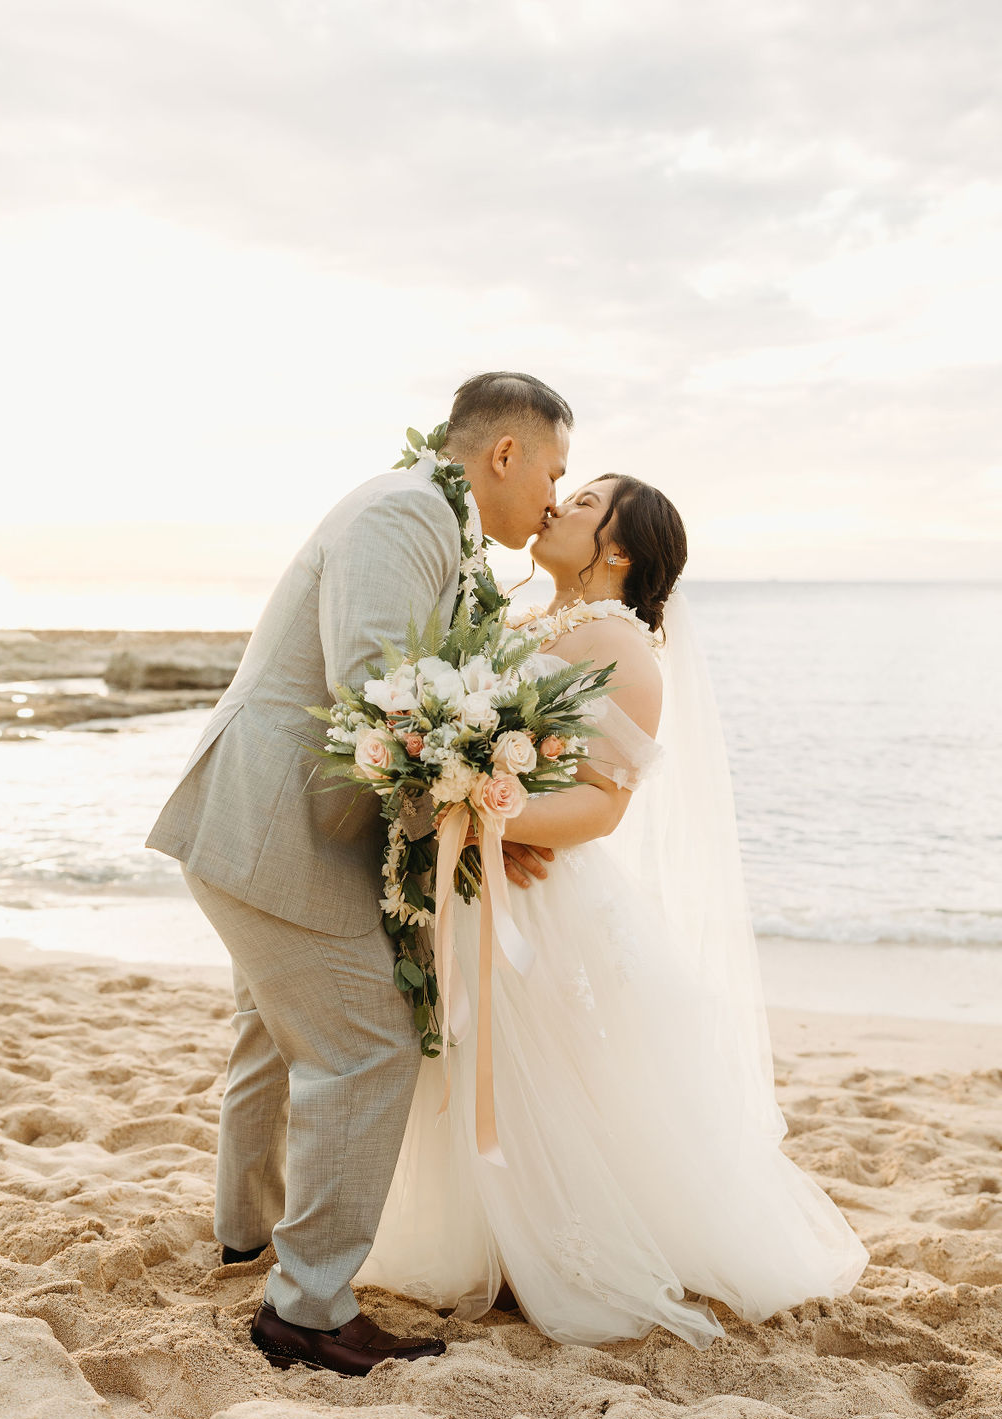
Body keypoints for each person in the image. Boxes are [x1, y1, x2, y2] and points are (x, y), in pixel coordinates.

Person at [358, 473, 870, 1348]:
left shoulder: (623, 646)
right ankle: (489, 1238)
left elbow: (601, 806)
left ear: (621, 551)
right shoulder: (521, 623)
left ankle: (573, 1245)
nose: (559, 506)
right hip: (477, 874)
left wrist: (482, 812)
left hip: (537, 901)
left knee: (553, 1076)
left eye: (588, 504)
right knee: (477, 1063)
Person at [145, 372, 571, 1374]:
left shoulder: (421, 512)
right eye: (554, 468)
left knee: (276, 1028)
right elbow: (379, 692)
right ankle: (305, 1305)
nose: (555, 495)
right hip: (276, 828)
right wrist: (482, 809)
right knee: (370, 1043)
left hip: (268, 824)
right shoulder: (406, 512)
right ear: (501, 454)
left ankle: (246, 1236)